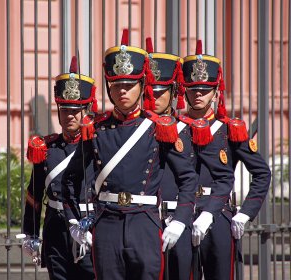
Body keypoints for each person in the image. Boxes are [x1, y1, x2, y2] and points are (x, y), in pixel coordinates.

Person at [62, 29, 197, 280]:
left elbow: (188, 178)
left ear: (142, 85)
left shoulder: (158, 127)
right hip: (107, 224)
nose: (122, 91)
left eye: (128, 85)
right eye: (116, 85)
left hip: (144, 223)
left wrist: (180, 220)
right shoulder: (96, 129)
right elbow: (70, 179)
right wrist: (74, 223)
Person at [181, 40, 271, 279]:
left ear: (216, 91)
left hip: (219, 216)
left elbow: (262, 173)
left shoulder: (229, 129)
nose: (198, 93)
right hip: (181, 214)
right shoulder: (175, 129)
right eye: (192, 88)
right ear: (184, 90)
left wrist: (245, 213)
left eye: (205, 89)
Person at [20, 56, 96, 280]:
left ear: (86, 110)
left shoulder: (97, 145)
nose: (70, 115)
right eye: (65, 110)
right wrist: (30, 233)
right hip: (55, 227)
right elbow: (34, 194)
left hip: (87, 226)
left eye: (76, 110)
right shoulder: (47, 147)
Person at [143, 37, 195, 280]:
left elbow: (193, 179)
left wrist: (184, 219)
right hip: (142, 222)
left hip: (176, 220)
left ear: (174, 91)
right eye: (148, 91)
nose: (153, 97)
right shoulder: (135, 129)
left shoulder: (186, 129)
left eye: (159, 92)